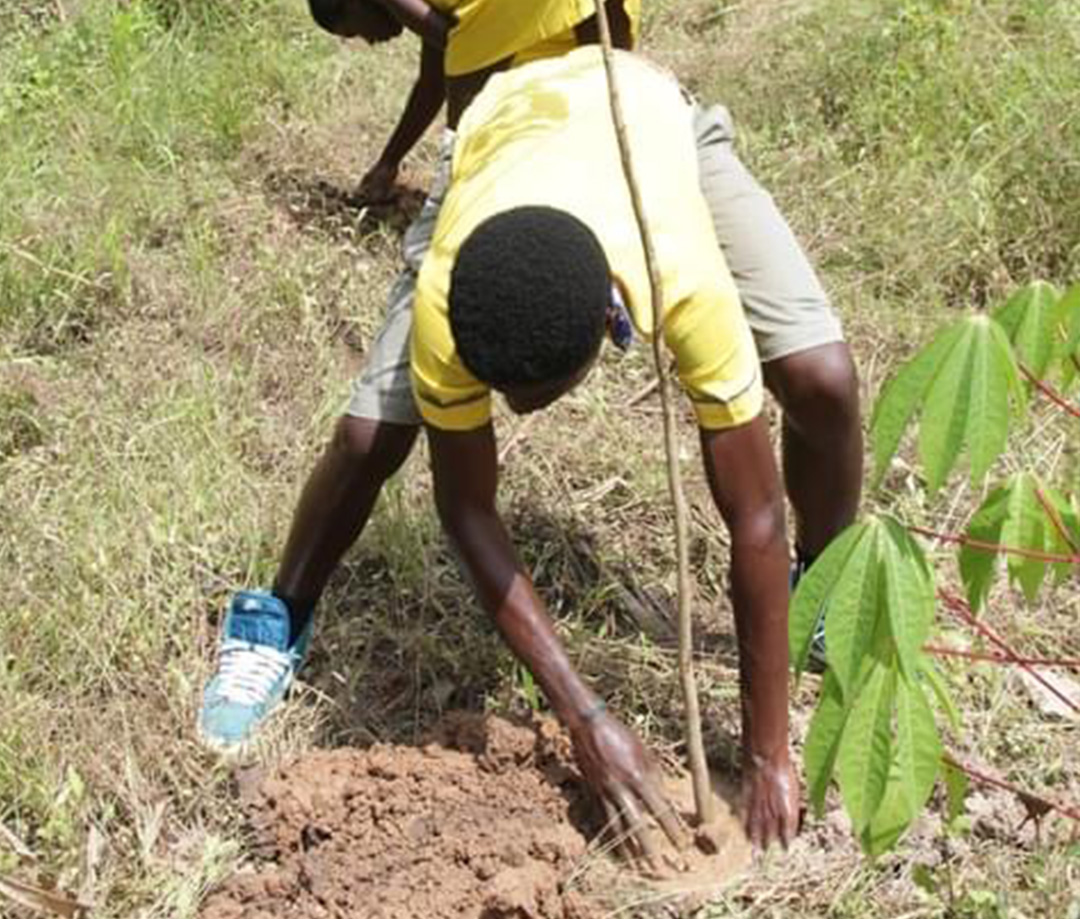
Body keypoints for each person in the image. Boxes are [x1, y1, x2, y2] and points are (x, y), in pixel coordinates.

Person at [199, 0, 857, 839]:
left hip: (644, 110)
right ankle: (273, 619)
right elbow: (468, 508)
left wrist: (769, 753)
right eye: (499, 389)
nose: (516, 412)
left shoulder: (682, 276)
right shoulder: (448, 300)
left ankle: (823, 590)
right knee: (371, 432)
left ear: (609, 325)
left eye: (537, 393)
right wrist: (583, 714)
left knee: (823, 377)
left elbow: (754, 511)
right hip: (501, 142)